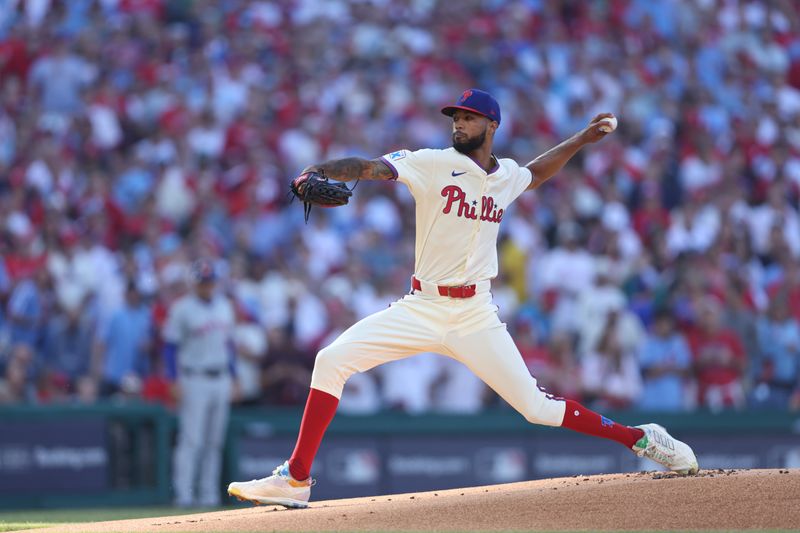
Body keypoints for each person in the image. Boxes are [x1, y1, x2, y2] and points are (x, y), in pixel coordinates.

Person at [228, 89, 698, 508]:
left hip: (476, 314)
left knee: (536, 408)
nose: (459, 123)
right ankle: (296, 478)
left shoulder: (504, 176)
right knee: (331, 360)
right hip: (422, 307)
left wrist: (579, 140)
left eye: (469, 118)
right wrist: (319, 170)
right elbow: (369, 166)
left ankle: (640, 438)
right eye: (455, 117)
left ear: (492, 126)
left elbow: (534, 173)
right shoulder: (433, 162)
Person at [164, 259, 236, 508]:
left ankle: (208, 496)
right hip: (194, 377)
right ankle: (184, 495)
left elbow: (229, 344)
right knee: (191, 439)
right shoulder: (182, 308)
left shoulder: (224, 306)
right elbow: (170, 347)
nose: (206, 285)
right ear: (194, 283)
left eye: (210, 281)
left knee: (214, 441)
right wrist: (173, 380)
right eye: (202, 281)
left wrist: (234, 376)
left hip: (221, 377)